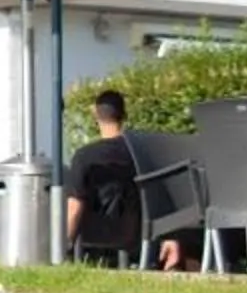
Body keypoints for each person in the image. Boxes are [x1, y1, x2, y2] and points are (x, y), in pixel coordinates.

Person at [63, 90, 187, 269]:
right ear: (124, 115)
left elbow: (76, 204)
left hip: (96, 232)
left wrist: (65, 245)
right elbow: (161, 195)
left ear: (96, 116)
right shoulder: (142, 153)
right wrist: (171, 236)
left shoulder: (84, 156)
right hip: (137, 231)